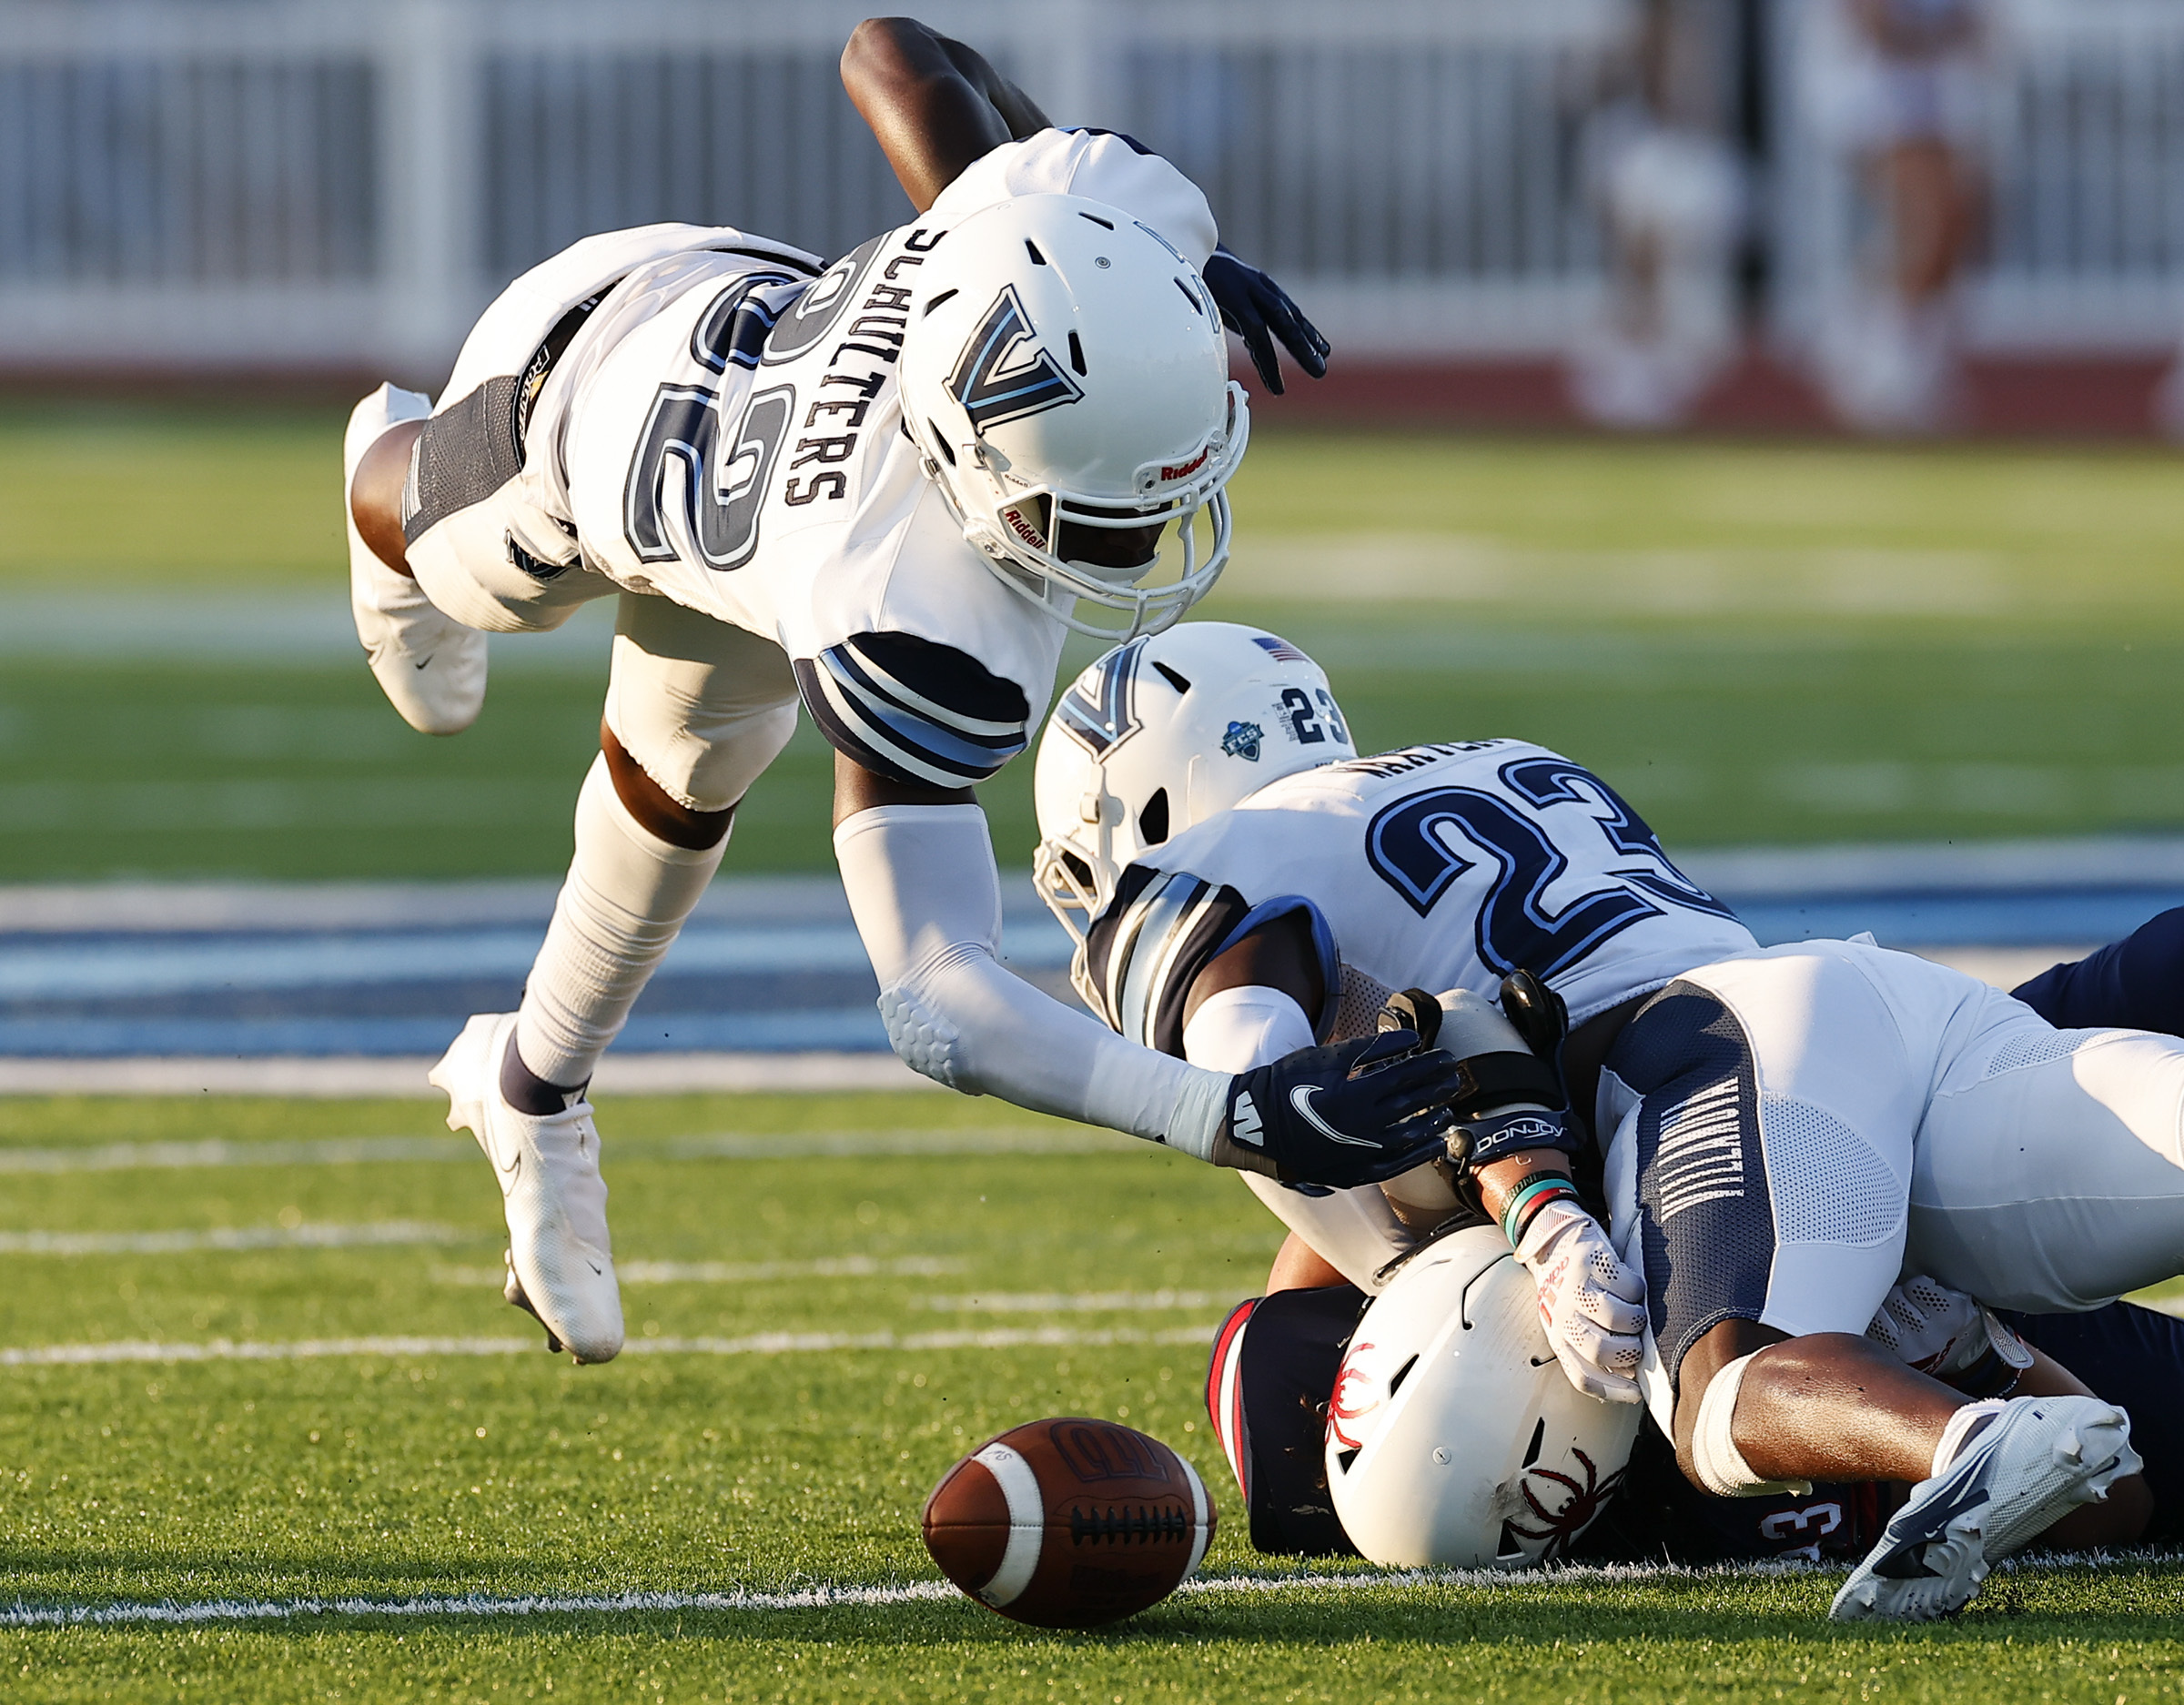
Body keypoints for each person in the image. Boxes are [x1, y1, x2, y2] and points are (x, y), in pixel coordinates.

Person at [341, 19, 1461, 1369]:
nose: (1131, 550)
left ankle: (532, 1085)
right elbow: (936, 994)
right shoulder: (900, 603)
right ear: (983, 475)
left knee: (693, 759)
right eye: (1095, 517)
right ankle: (378, 488)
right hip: (569, 409)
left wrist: (1113, 245)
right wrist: (1219, 1113)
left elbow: (893, 52)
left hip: (744, 319)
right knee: (443, 564)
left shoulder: (1091, 218)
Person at [1032, 620, 2184, 1619]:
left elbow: (1436, 1045)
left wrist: (1524, 1211)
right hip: (1862, 1023)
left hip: (1719, 1063)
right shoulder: (1490, 767)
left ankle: (1961, 1444)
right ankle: (1976, 1387)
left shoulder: (1220, 870)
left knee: (1726, 1395)